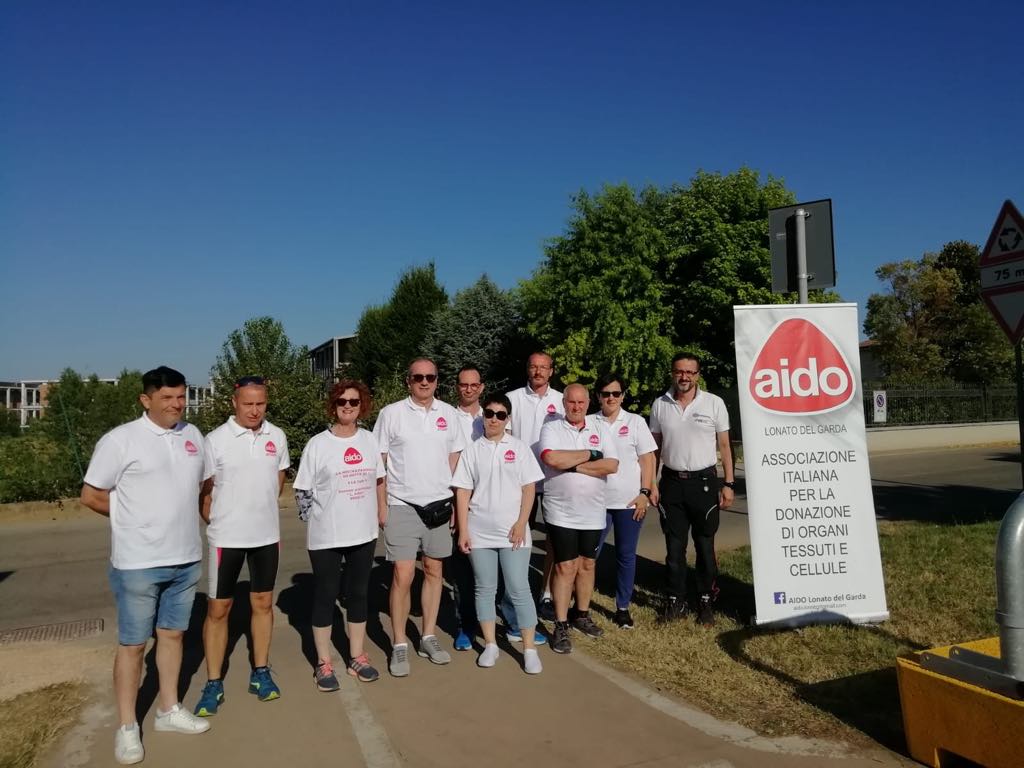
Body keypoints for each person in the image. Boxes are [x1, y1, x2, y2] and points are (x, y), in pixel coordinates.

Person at [80, 366, 210, 766]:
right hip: (137, 563)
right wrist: (132, 523)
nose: (176, 404)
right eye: (167, 397)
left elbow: (205, 486)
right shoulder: (120, 440)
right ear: (146, 400)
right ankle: (126, 727)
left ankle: (168, 710)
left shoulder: (193, 436)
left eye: (180, 396)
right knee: (134, 646)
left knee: (172, 638)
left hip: (186, 558)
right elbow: (91, 495)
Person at [194, 376, 290, 717]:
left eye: (260, 404)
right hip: (226, 540)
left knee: (263, 603)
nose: (254, 410)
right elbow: (204, 494)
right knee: (218, 610)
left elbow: (276, 482)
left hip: (266, 537)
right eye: (248, 403)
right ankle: (214, 682)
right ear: (234, 403)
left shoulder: (276, 436)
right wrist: (220, 524)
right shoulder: (215, 440)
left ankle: (261, 672)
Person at [373, 358, 466, 676]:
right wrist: (381, 505)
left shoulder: (449, 415)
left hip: (439, 506)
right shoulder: (391, 414)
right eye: (418, 377)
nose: (424, 382)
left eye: (430, 377)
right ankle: (399, 644)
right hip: (401, 504)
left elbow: (455, 457)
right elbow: (379, 462)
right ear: (408, 380)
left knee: (434, 570)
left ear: (438, 380)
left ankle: (427, 636)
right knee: (402, 575)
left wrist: (451, 499)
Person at [294, 380, 387, 688]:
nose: (348, 406)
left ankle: (357, 657)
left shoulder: (370, 440)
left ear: (363, 406)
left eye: (354, 401)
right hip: (327, 537)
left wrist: (382, 510)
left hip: (363, 532)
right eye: (342, 401)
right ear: (333, 405)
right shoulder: (318, 444)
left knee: (359, 595)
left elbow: (379, 479)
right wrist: (318, 519)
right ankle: (323, 663)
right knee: (325, 595)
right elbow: (303, 490)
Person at [453, 393, 545, 674]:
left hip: (513, 532)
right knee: (484, 588)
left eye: (500, 415)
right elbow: (463, 491)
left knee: (518, 587)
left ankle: (529, 649)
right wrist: (464, 530)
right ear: (483, 416)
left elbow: (529, 488)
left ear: (508, 419)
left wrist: (521, 522)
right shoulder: (472, 450)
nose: (494, 419)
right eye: (489, 414)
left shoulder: (518, 448)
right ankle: (491, 644)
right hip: (480, 531)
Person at [649, 353, 735, 626]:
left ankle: (706, 601)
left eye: (690, 372)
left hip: (704, 484)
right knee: (674, 548)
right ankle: (675, 601)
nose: (684, 377)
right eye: (679, 371)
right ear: (672, 373)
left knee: (704, 546)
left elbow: (724, 446)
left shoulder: (714, 403)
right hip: (672, 484)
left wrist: (729, 483)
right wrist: (651, 482)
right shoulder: (660, 404)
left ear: (698, 375)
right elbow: (655, 448)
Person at [538, 383, 619, 654]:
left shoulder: (601, 429)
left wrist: (573, 464)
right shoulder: (552, 427)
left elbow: (612, 465)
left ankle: (581, 614)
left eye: (581, 403)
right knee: (565, 567)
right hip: (561, 512)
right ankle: (560, 624)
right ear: (564, 403)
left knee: (587, 564)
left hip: (593, 512)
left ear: (588, 403)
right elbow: (550, 458)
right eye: (571, 402)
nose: (576, 407)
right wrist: (590, 455)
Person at [594, 373, 658, 630]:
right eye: (606, 393)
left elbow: (648, 460)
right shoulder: (589, 422)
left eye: (616, 394)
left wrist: (645, 492)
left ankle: (622, 608)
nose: (611, 398)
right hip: (595, 502)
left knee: (625, 555)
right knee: (589, 555)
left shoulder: (635, 422)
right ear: (598, 396)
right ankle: (579, 604)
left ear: (622, 396)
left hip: (629, 501)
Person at [506, 351, 563, 626]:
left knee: (552, 540)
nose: (539, 372)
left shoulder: (562, 400)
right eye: (534, 367)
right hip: (520, 483)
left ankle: (547, 594)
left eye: (544, 367)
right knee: (517, 538)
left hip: (554, 480)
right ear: (527, 369)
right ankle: (515, 593)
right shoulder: (513, 399)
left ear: (551, 371)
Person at [448, 365, 485, 651]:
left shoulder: (495, 414)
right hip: (460, 500)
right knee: (463, 569)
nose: (469, 389)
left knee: (496, 567)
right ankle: (466, 625)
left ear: (481, 387)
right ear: (457, 387)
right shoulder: (448, 417)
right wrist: (453, 502)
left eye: (474, 385)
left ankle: (505, 621)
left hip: (492, 504)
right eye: (464, 384)